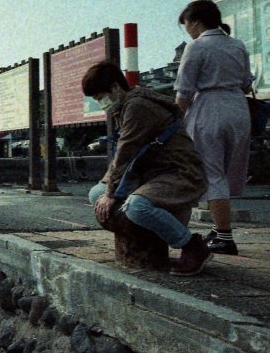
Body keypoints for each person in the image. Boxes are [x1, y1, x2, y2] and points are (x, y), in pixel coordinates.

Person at [83, 61, 211, 276]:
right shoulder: (125, 106)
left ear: (115, 87)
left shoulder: (138, 107)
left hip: (179, 173)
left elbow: (125, 153)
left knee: (137, 207)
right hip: (151, 174)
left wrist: (112, 193)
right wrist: (106, 189)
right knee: (96, 193)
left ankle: (191, 245)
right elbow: (120, 159)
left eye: (100, 97)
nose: (100, 103)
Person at [175, 0, 253, 255]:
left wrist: (175, 122)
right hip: (239, 108)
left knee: (212, 171)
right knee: (230, 169)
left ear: (195, 21)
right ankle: (219, 231)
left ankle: (224, 235)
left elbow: (184, 91)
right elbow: (245, 82)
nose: (186, 29)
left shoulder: (196, 47)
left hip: (209, 107)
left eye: (186, 24)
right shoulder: (238, 45)